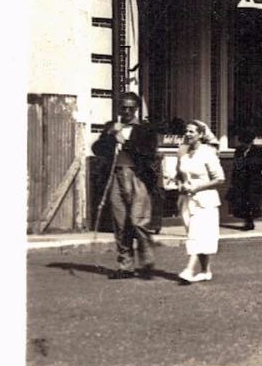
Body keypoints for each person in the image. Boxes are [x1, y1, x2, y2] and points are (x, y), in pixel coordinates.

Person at [90, 92, 160, 278]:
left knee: (138, 221)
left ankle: (147, 259)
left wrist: (125, 142)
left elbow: (148, 153)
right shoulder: (112, 127)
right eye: (124, 107)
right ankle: (125, 266)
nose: (127, 111)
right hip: (116, 175)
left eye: (131, 107)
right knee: (120, 222)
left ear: (136, 109)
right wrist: (109, 134)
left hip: (137, 177)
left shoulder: (146, 129)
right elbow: (97, 150)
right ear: (119, 108)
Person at [175, 121, 225, 283]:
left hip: (205, 200)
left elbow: (219, 179)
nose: (188, 134)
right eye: (186, 131)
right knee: (196, 235)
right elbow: (179, 175)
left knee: (196, 235)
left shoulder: (208, 153)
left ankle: (189, 270)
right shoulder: (184, 153)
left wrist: (197, 187)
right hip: (187, 201)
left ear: (201, 135)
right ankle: (205, 271)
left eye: (192, 132)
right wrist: (181, 184)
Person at [227, 137, 262, 230]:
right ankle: (248, 221)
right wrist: (233, 180)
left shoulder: (258, 151)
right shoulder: (239, 151)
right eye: (244, 143)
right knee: (243, 202)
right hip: (242, 181)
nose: (245, 145)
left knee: (252, 202)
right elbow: (236, 166)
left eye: (247, 143)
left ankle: (250, 222)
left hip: (254, 181)